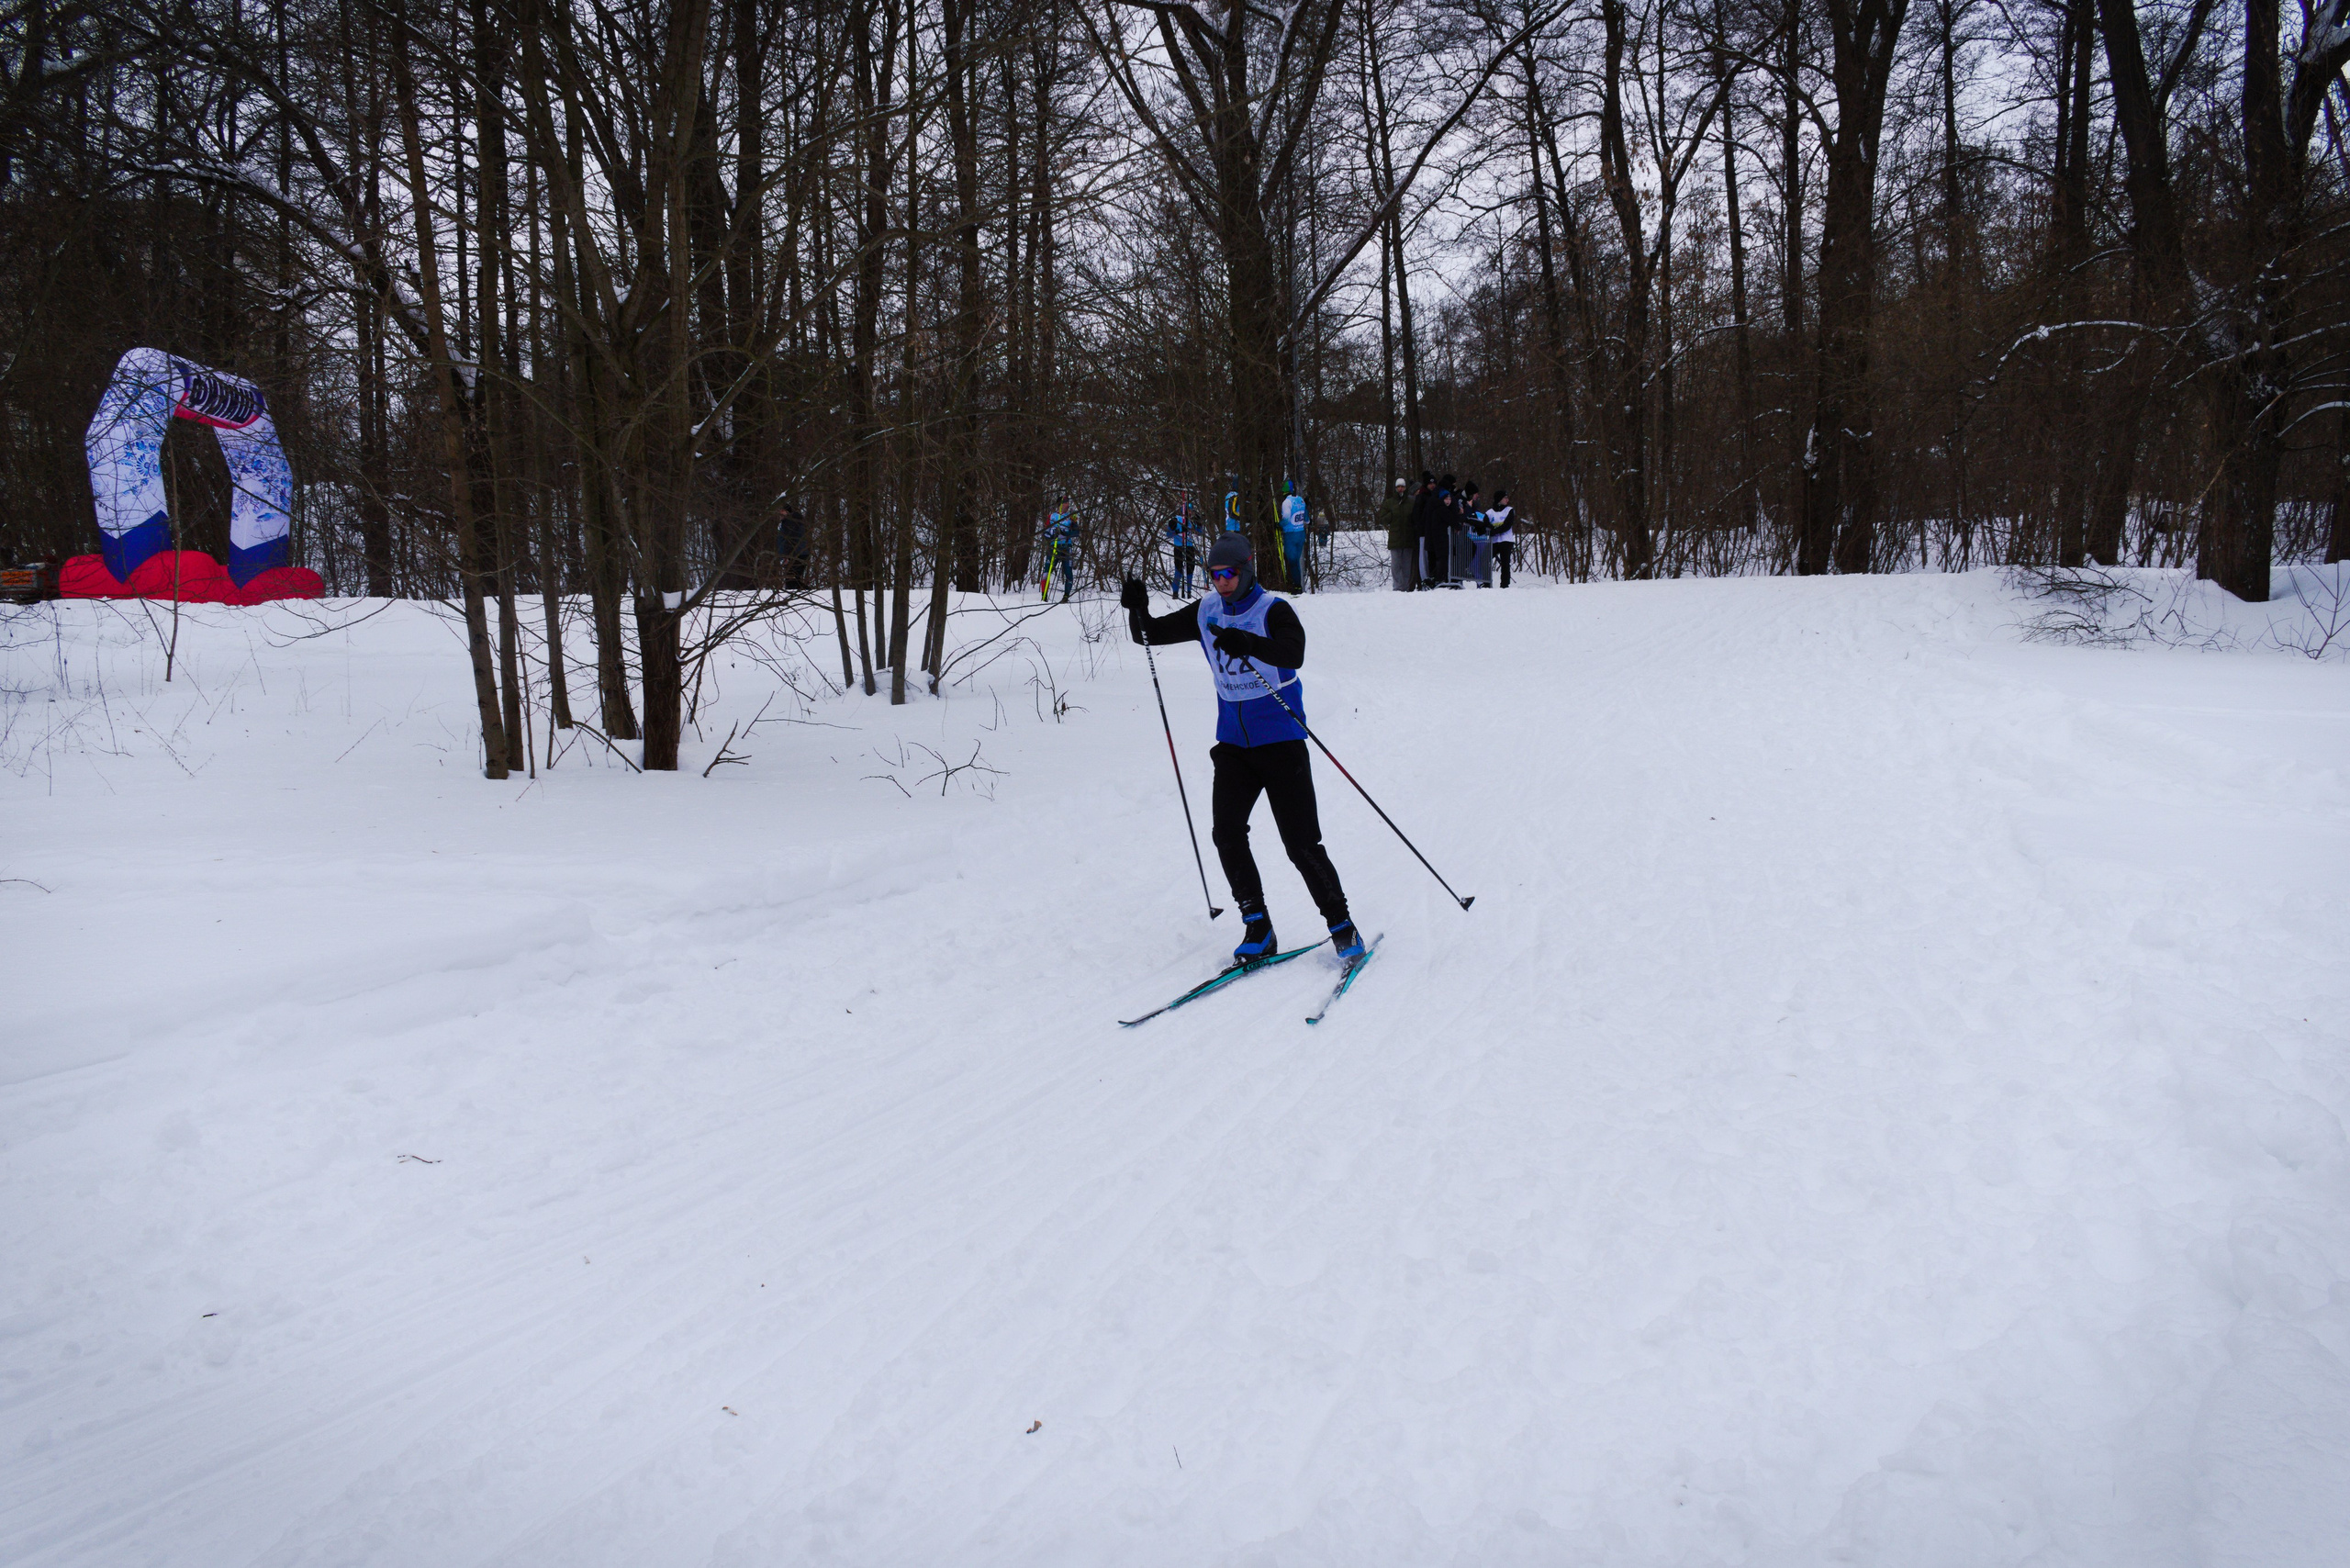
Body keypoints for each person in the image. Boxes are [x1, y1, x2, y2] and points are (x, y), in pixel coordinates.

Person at [1120, 535, 1364, 965]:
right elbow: (1149, 636)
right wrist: (1136, 610)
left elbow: (1295, 652)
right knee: (1227, 833)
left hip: (1282, 741)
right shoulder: (1206, 610)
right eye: (1214, 575)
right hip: (1233, 745)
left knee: (1301, 843)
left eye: (1229, 574)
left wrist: (1249, 643)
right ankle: (1258, 925)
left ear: (1247, 570)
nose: (1222, 583)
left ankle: (1341, 924)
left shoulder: (1273, 609)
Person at [1411, 472, 1449, 588]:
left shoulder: (1436, 496)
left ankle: (1433, 577)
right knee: (1424, 557)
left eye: (1434, 483)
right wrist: (1419, 528)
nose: (1432, 485)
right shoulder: (1422, 496)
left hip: (1434, 531)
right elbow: (1417, 515)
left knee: (1432, 556)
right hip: (1424, 531)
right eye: (1430, 483)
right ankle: (1425, 579)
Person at [1376, 476, 1414, 590]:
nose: (1400, 489)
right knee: (1396, 566)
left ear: (1406, 488)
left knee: (1407, 566)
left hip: (1408, 538)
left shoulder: (1411, 502)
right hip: (1395, 538)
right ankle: (1397, 587)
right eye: (1398, 487)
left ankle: (1406, 587)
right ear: (1395, 488)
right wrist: (1392, 515)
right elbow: (1382, 519)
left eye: (1402, 486)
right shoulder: (1389, 503)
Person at [1043, 498, 1080, 601]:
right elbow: (1045, 533)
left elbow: (1076, 532)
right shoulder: (1052, 517)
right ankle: (1044, 595)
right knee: (1047, 571)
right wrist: (1053, 534)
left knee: (1068, 572)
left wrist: (1066, 533)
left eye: (1068, 502)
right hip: (1053, 547)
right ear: (1060, 504)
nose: (1068, 505)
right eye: (1065, 503)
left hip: (1066, 547)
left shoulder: (1070, 517)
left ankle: (1066, 596)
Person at [1278, 480, 1309, 592]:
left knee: (1292, 561)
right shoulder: (1300, 500)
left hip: (1290, 534)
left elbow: (1286, 518)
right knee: (1295, 561)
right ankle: (1297, 585)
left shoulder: (1286, 502)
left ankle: (1297, 586)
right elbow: (1307, 520)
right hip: (1301, 534)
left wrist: (1279, 525)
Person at [1167, 498, 1198, 596]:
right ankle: (1175, 592)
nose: (1190, 513)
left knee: (1190, 570)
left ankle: (1189, 592)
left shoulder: (1192, 520)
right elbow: (1168, 534)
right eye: (1188, 510)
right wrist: (1178, 531)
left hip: (1189, 547)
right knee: (1178, 570)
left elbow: (1200, 532)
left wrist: (1199, 524)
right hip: (1179, 547)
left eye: (1191, 511)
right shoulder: (1176, 519)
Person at [1487, 490, 1516, 588]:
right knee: (1486, 559)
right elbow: (1485, 525)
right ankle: (1485, 582)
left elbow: (1507, 525)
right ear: (1499, 499)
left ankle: (1504, 585)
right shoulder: (1490, 512)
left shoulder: (1509, 510)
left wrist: (1494, 531)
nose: (1507, 500)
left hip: (1506, 541)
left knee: (1505, 563)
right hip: (1494, 541)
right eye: (1505, 498)